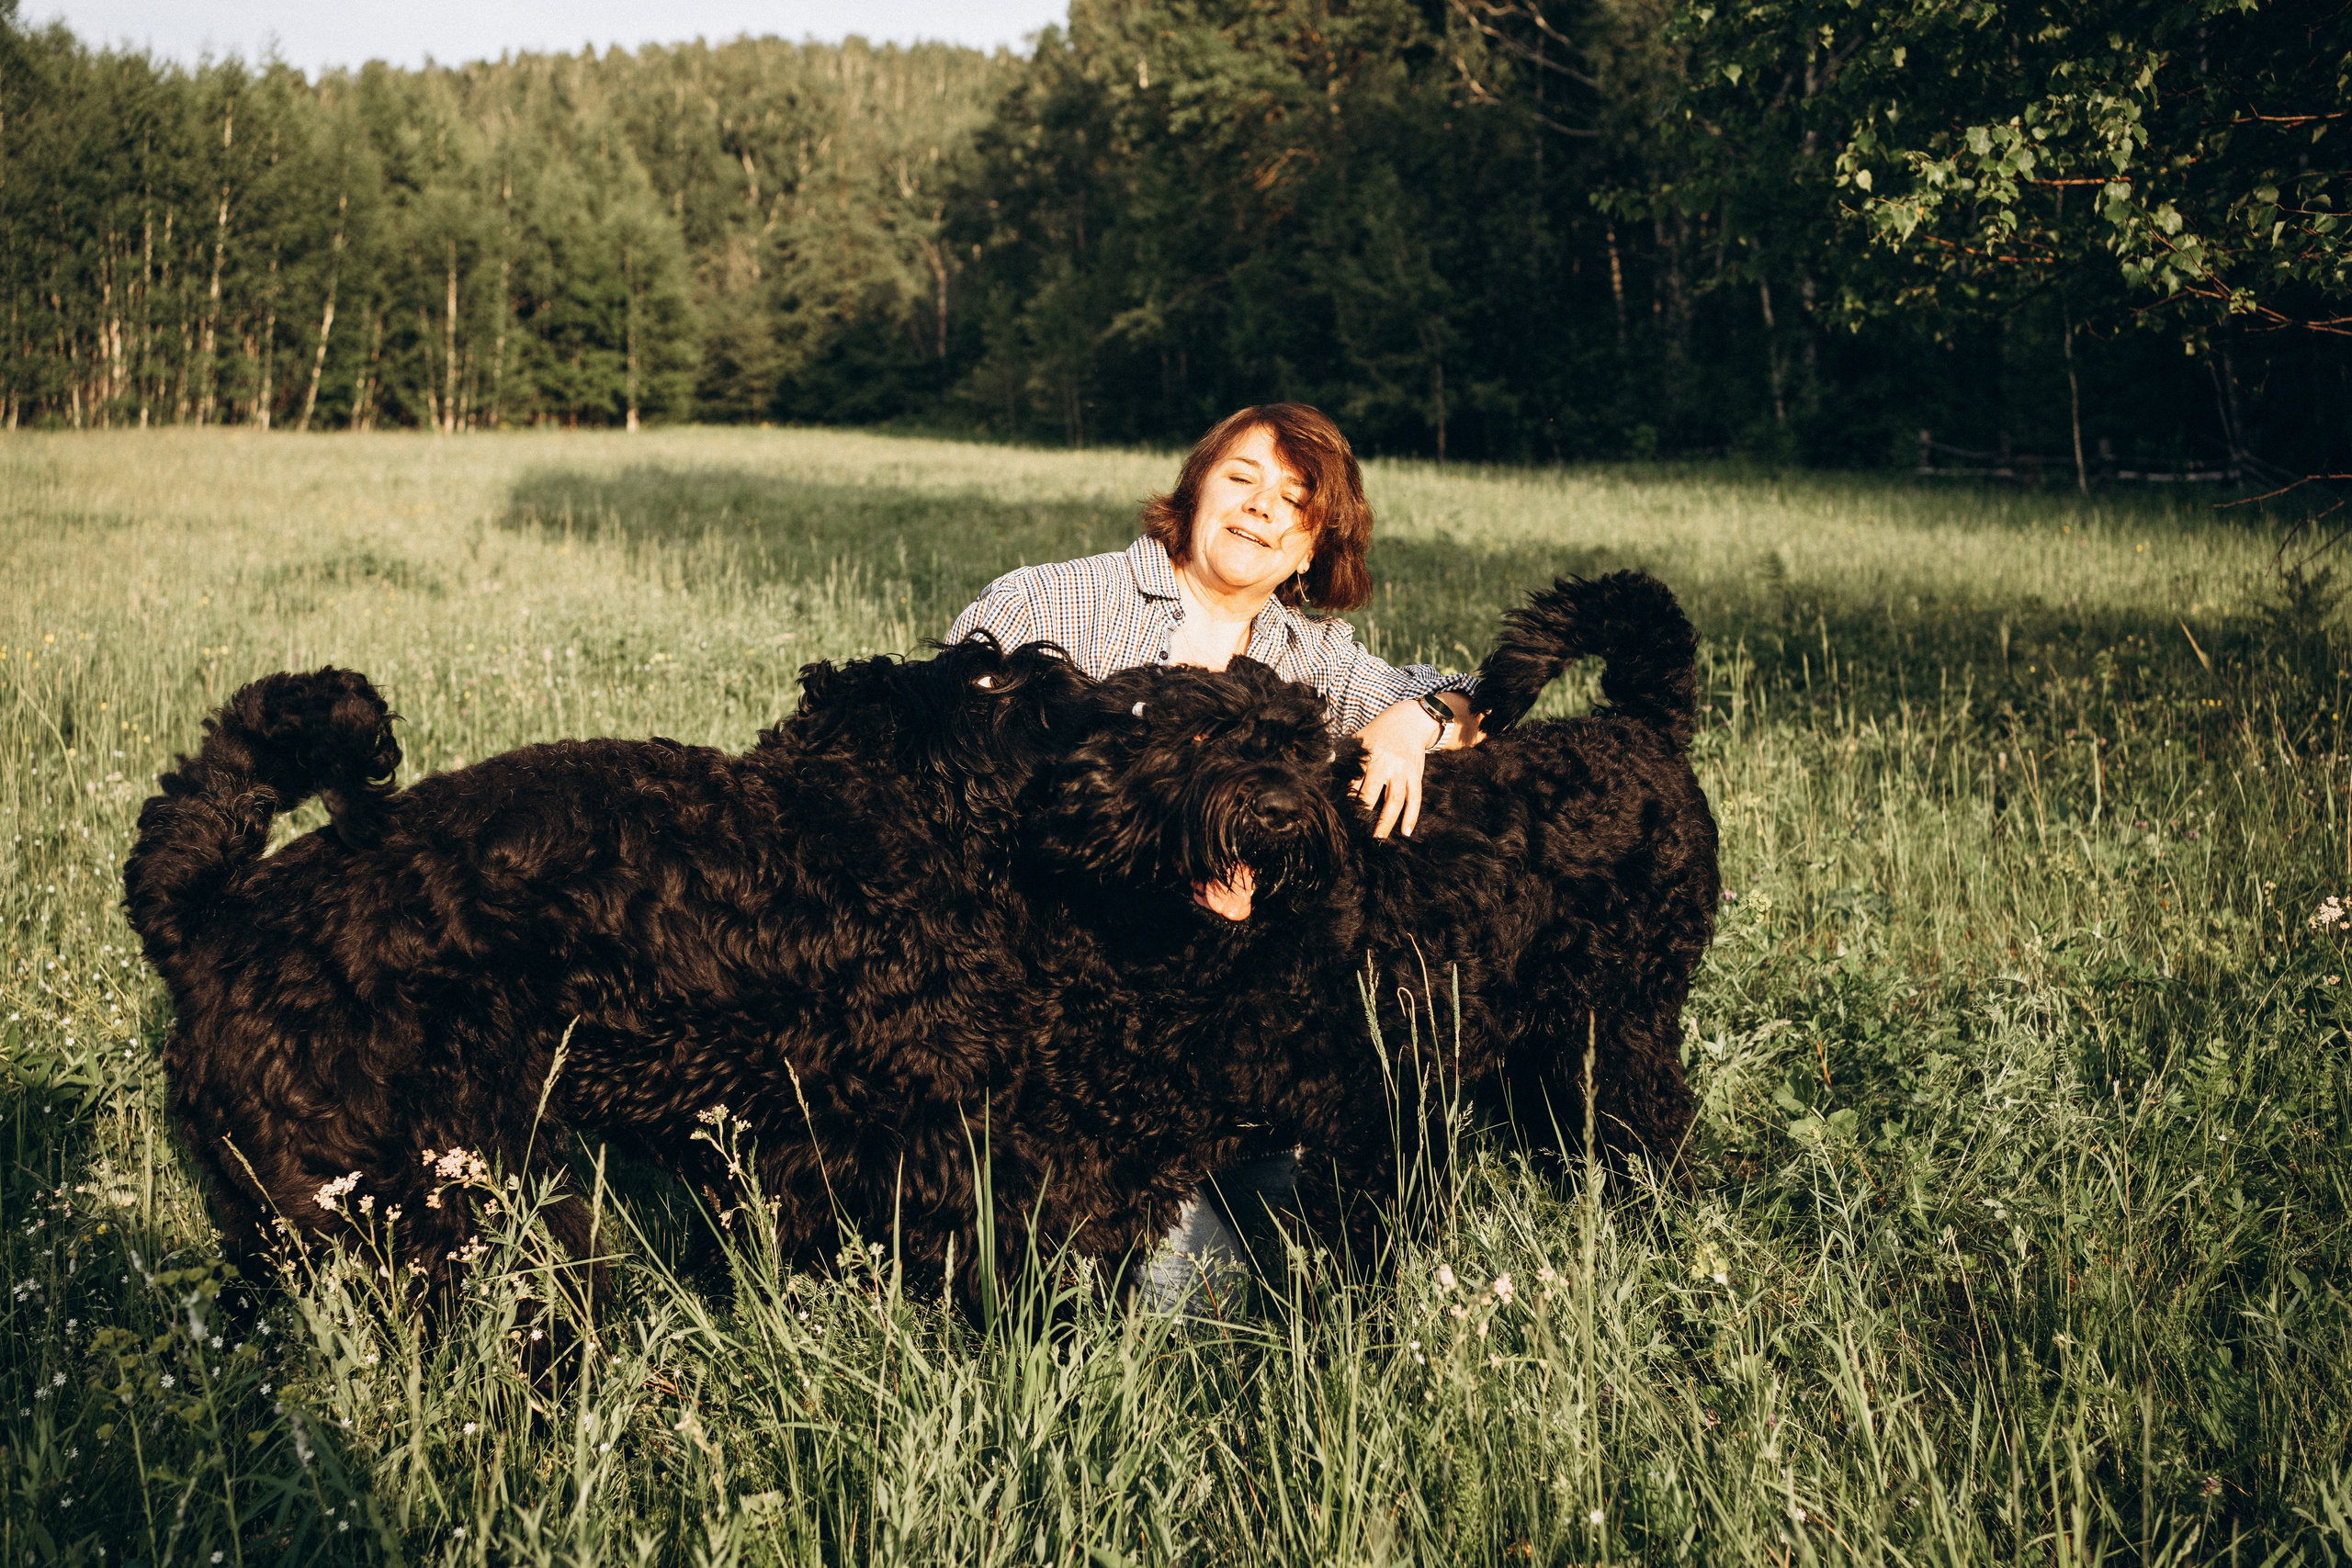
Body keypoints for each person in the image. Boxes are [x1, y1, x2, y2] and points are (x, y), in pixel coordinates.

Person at [944, 401, 1484, 1311]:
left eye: (1295, 501)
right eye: (1241, 480)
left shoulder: (1312, 655)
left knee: (1325, 1285)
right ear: (1193, 494)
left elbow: (1470, 697)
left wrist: (1413, 723)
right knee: (1182, 1302)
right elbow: (948, 775)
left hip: (1212, 1032)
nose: (1262, 509)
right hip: (1053, 1019)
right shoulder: (1051, 604)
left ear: (1312, 547)